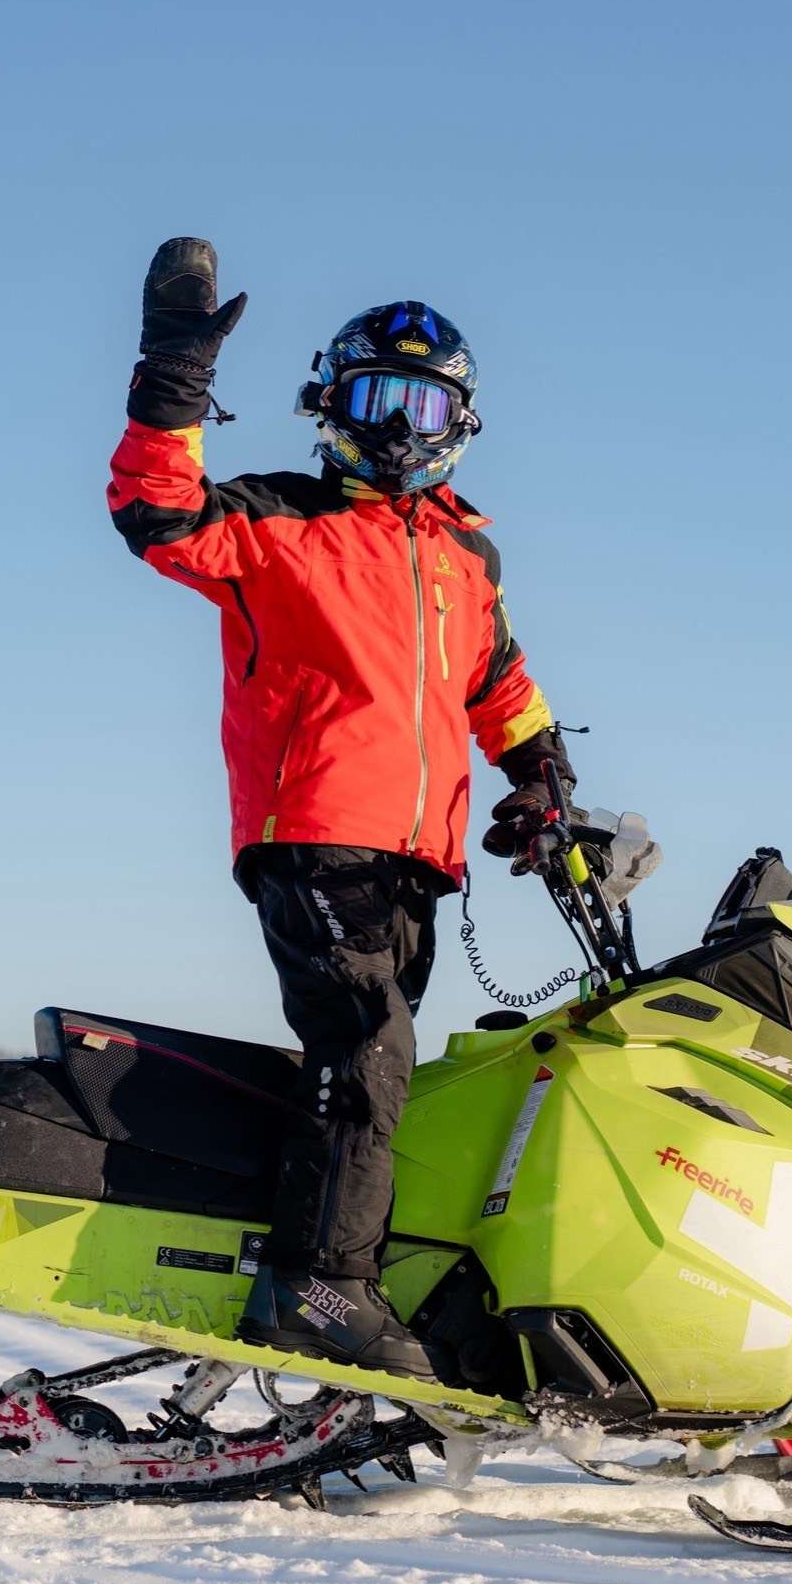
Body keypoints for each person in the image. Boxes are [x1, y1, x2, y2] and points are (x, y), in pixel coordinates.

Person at [106, 238, 577, 1378]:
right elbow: (155, 511)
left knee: (371, 1065)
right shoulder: (279, 522)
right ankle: (320, 1288)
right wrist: (173, 371)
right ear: (333, 403)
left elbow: (497, 684)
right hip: (313, 833)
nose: (403, 425)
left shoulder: (467, 556)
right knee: (367, 1048)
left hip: (417, 861)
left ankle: (307, 1265)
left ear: (460, 422)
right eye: (381, 398)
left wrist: (544, 779)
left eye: (427, 402)